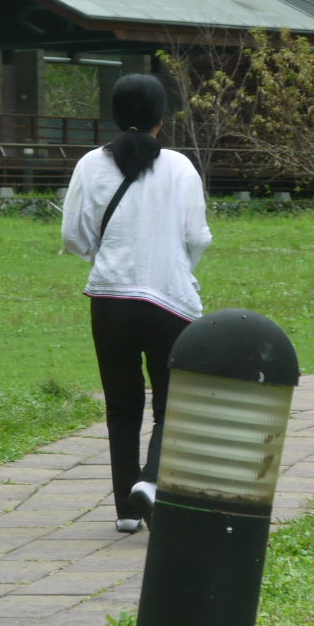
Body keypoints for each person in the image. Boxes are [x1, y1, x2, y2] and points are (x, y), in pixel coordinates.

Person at [61, 73, 213, 533]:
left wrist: (107, 257)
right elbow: (197, 236)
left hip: (109, 299)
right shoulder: (180, 167)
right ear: (161, 119)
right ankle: (151, 480)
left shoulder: (90, 164)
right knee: (174, 404)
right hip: (170, 303)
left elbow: (74, 236)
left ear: (114, 114)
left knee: (122, 406)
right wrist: (178, 266)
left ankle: (127, 513)